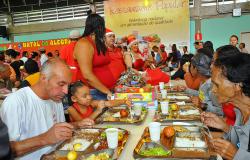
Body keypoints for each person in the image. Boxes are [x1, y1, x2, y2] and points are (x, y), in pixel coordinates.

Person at [0, 58, 94, 160]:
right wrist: (44, 139)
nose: (66, 91)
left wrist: (77, 124)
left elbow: (56, 131)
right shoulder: (15, 102)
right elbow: (4, 150)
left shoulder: (56, 99)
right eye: (61, 84)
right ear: (44, 78)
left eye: (68, 85)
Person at [202, 53, 250, 159]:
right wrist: (225, 127)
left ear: (237, 85)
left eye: (217, 85)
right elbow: (242, 143)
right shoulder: (240, 111)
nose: (213, 90)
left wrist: (237, 156)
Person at [74, 14, 116, 100]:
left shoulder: (98, 43)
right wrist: (107, 91)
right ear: (98, 27)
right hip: (94, 93)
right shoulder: (84, 44)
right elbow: (87, 75)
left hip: (106, 91)